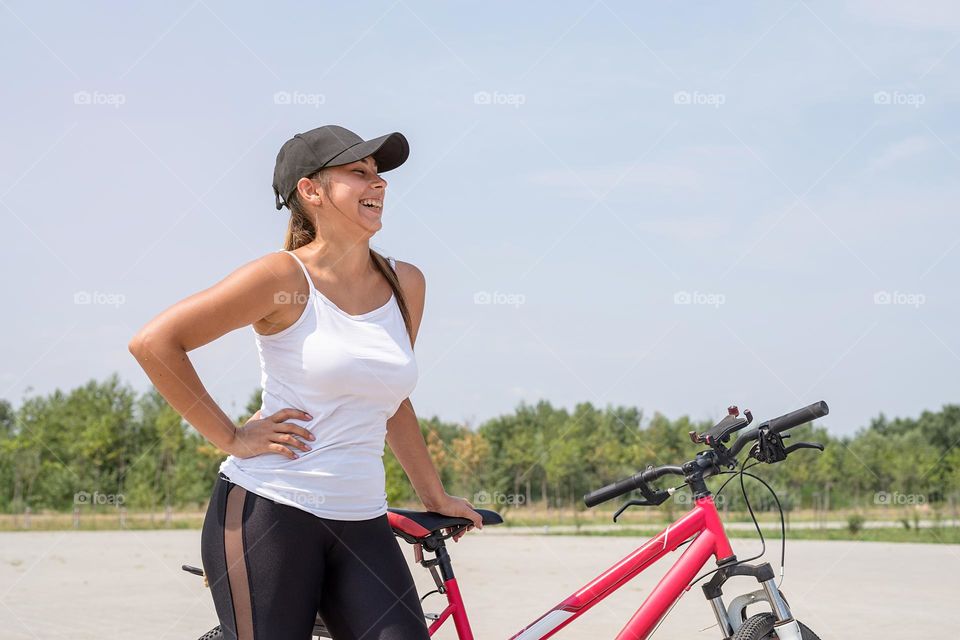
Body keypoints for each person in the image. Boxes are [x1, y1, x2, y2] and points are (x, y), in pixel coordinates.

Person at [128, 125, 482, 639]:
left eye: (378, 175)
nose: (377, 184)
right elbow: (155, 343)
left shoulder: (405, 282)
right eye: (358, 173)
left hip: (362, 519)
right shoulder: (282, 278)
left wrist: (435, 495)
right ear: (311, 191)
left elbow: (390, 400)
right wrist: (230, 437)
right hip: (270, 512)